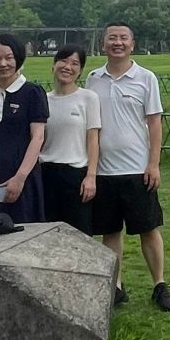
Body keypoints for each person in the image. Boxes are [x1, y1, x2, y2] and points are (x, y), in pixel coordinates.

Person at [86, 23, 170, 311]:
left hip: (138, 169)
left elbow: (154, 123)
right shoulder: (93, 79)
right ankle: (115, 286)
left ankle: (159, 284)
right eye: (112, 38)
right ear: (103, 44)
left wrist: (153, 164)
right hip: (104, 170)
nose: (118, 43)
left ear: (132, 44)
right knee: (110, 232)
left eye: (123, 38)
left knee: (148, 229)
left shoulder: (145, 78)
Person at [0, 34, 48, 225]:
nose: (3, 64)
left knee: (25, 229)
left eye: (9, 58)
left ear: (18, 59)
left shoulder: (32, 93)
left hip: (23, 177)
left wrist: (20, 178)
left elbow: (38, 137)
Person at [39, 43, 101, 232]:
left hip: (76, 175)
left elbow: (93, 139)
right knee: (47, 232)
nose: (68, 67)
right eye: (63, 61)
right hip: (46, 173)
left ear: (80, 70)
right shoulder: (43, 99)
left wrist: (91, 176)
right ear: (54, 64)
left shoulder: (88, 98)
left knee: (78, 234)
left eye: (74, 63)